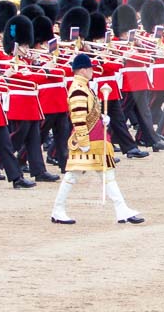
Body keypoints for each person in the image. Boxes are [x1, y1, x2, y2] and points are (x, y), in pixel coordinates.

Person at [52, 54, 143, 225]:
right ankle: (58, 209)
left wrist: (102, 117)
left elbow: (88, 111)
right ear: (83, 70)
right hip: (88, 140)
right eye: (91, 68)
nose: (93, 71)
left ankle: (121, 209)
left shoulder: (84, 86)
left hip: (96, 139)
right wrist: (84, 142)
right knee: (72, 176)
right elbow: (78, 117)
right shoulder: (79, 88)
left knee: (107, 175)